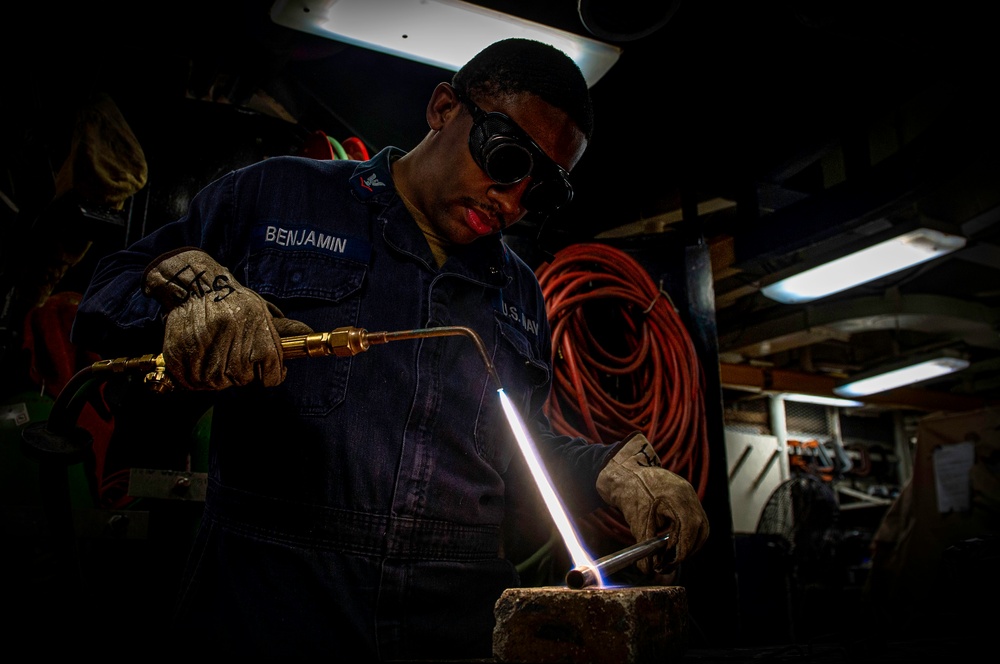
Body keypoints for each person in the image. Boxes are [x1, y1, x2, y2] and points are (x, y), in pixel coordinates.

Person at [71, 38, 709, 660]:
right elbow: (107, 295)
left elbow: (518, 452)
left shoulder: (520, 290)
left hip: (455, 622)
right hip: (274, 602)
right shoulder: (276, 198)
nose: (512, 202)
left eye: (540, 191)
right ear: (442, 109)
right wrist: (188, 288)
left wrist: (605, 469)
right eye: (507, 159)